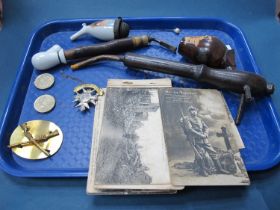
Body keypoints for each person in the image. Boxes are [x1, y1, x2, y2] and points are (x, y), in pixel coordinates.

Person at [180, 106, 229, 176]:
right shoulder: (187, 119)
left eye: (194, 110)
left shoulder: (200, 119)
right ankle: (202, 171)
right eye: (191, 111)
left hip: (205, 140)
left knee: (213, 153)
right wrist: (201, 135)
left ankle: (219, 169)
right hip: (196, 140)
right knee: (200, 155)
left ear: (196, 111)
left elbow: (206, 127)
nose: (193, 112)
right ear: (189, 112)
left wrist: (205, 134)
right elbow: (190, 129)